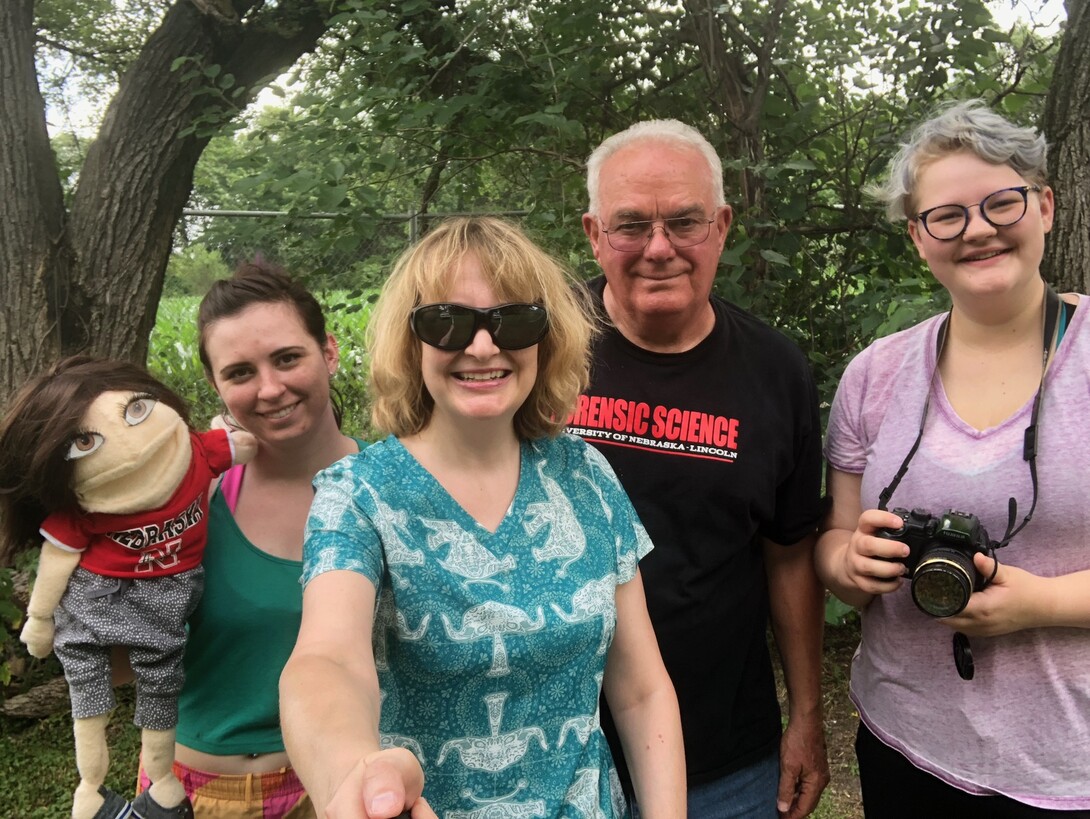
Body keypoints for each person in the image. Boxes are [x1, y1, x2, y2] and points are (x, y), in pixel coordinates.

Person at [279, 216, 685, 818]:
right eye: (447, 322)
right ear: (409, 340)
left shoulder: (587, 476)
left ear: (545, 338)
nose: (483, 346)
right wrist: (354, 775)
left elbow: (641, 689)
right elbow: (327, 659)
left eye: (513, 320)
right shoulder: (359, 496)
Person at [816, 99, 1090, 816]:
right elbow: (836, 551)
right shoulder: (874, 376)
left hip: (1069, 769)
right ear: (918, 237)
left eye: (1003, 203)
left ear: (1047, 207)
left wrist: (1044, 602)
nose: (978, 229)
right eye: (948, 215)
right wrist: (848, 565)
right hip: (905, 746)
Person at [570, 119, 829, 818]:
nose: (659, 248)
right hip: (551, 755)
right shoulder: (533, 349)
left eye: (684, 221)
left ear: (721, 225)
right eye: (631, 225)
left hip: (723, 758)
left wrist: (807, 715)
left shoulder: (776, 371)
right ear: (594, 234)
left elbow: (790, 555)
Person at [135, 261, 362, 818]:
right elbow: (123, 663)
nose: (270, 388)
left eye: (287, 358)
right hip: (198, 791)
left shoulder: (391, 486)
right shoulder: (190, 497)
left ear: (328, 352)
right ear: (216, 385)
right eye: (239, 372)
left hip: (344, 783)